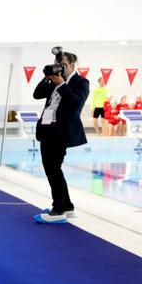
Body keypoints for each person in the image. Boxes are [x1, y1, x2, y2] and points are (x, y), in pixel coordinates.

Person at [32, 50, 90, 224]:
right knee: (53, 169)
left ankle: (58, 210)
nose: (60, 68)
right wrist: (48, 76)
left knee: (53, 169)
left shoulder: (81, 82)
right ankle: (67, 206)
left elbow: (75, 103)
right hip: (47, 129)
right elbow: (36, 94)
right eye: (58, 64)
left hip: (61, 131)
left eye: (63, 65)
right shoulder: (53, 79)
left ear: (72, 64)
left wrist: (62, 84)